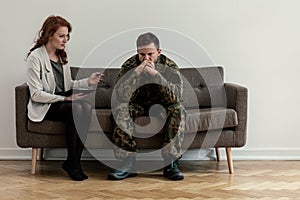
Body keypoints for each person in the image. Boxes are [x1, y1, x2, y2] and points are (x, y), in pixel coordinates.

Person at [26, 15, 103, 181]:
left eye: (67, 36)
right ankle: (73, 163)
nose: (65, 40)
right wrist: (64, 99)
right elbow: (36, 94)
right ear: (49, 35)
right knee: (76, 107)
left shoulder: (62, 57)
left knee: (86, 107)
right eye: (61, 36)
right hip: (46, 103)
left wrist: (88, 81)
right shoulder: (35, 58)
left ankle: (73, 161)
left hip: (62, 98)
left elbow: (68, 85)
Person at [108, 32, 185, 181]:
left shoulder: (169, 66)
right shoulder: (130, 65)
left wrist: (156, 74)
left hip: (162, 106)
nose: (146, 59)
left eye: (150, 54)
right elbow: (120, 96)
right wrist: (136, 73)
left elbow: (175, 97)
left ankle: (171, 163)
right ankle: (128, 163)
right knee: (120, 109)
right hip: (137, 105)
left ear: (159, 52)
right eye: (142, 54)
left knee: (178, 109)